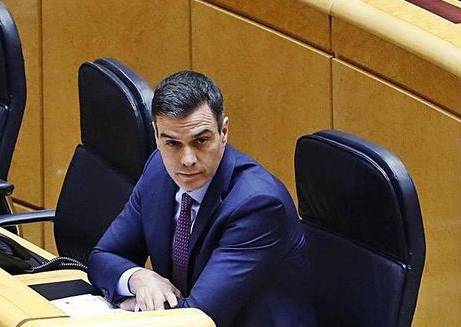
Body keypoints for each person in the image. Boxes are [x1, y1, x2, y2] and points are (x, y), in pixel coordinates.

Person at [88, 71, 316, 326]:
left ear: (224, 132)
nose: (187, 160)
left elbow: (197, 318)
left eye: (201, 141)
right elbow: (102, 256)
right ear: (156, 135)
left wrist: (133, 306)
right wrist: (138, 277)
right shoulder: (158, 171)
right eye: (172, 143)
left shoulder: (258, 204)